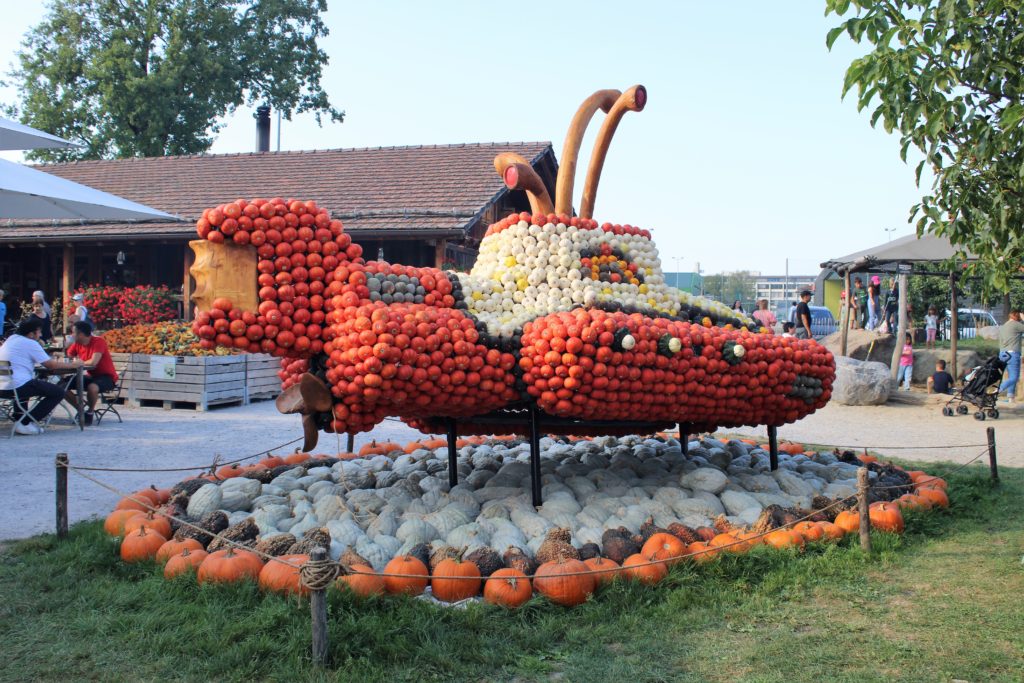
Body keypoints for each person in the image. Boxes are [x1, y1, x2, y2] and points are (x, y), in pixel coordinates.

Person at [0, 318, 84, 435]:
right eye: (39, 331)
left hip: (3, 387)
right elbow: (50, 365)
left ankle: (19, 418)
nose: (41, 334)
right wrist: (73, 364)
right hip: (17, 386)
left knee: (29, 385)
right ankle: (25, 422)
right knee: (58, 392)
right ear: (31, 334)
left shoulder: (11, 339)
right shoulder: (30, 343)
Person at [65, 321, 118, 424]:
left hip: (107, 377)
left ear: (80, 334)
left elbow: (94, 361)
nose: (71, 335)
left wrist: (78, 363)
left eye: (73, 332)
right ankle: (80, 410)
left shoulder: (98, 341)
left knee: (92, 388)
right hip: (90, 375)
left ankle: (90, 412)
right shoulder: (77, 344)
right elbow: (69, 356)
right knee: (62, 386)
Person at [997, 309, 1024, 403]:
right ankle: (999, 390)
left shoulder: (1003, 326)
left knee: (1010, 377)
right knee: (1014, 377)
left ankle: (1010, 398)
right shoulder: (1016, 325)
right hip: (1013, 354)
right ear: (1017, 316)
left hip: (1002, 354)